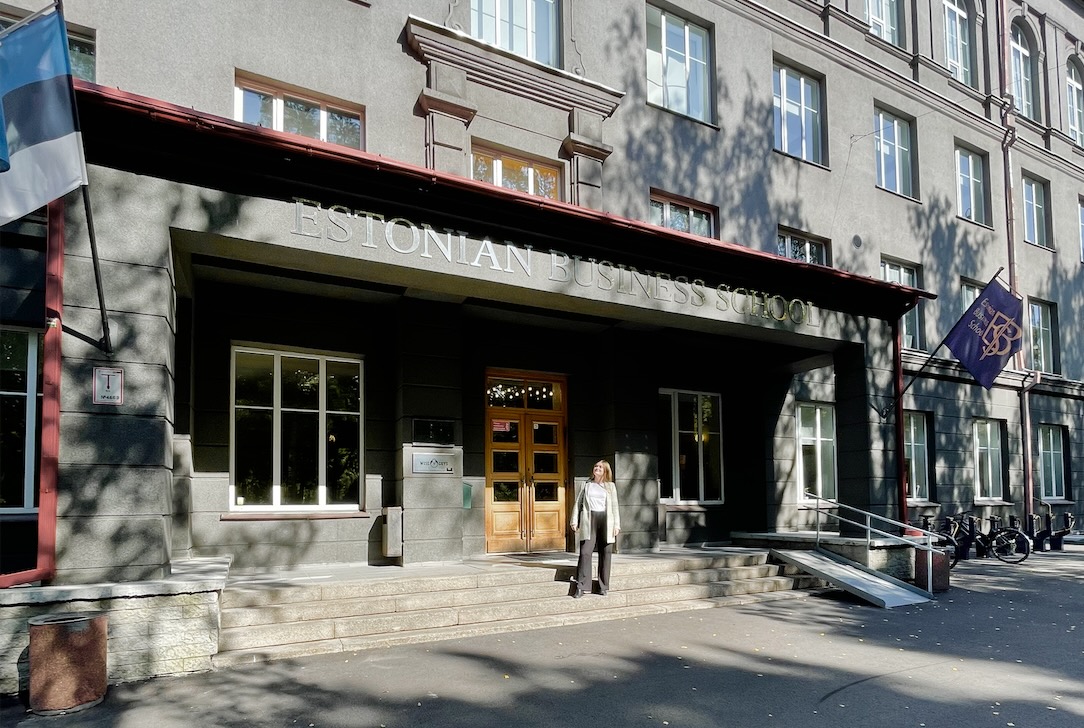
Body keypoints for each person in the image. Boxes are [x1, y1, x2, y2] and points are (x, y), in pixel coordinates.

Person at [569, 460, 620, 598]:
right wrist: (574, 520)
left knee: (606, 553)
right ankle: (581, 586)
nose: (597, 468)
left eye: (600, 467)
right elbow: (577, 503)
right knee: (585, 552)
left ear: (605, 471)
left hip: (606, 520)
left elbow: (615, 507)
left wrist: (617, 525)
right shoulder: (587, 485)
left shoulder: (610, 486)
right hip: (589, 518)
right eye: (595, 466)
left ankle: (603, 586)